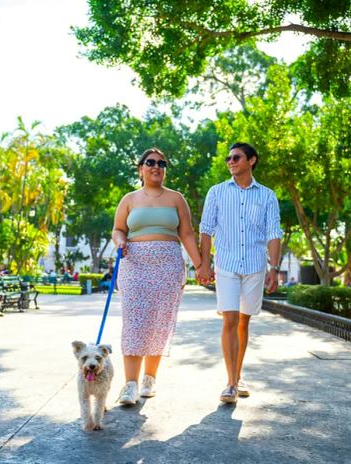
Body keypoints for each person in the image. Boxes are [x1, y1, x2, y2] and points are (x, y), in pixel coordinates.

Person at [112, 147, 202, 405]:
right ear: (140, 169)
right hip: (135, 263)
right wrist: (120, 242)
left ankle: (149, 379)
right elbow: (118, 229)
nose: (156, 167)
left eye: (162, 163)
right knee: (135, 322)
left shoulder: (176, 199)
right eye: (150, 162)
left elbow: (186, 234)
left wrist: (201, 266)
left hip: (168, 265)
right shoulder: (129, 199)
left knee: (159, 322)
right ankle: (129, 385)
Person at [197, 142, 282, 404]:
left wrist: (274, 268)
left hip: (255, 266)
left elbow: (273, 233)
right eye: (228, 159)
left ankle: (238, 374)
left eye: (236, 157)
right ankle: (231, 383)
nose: (231, 162)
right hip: (227, 266)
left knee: (244, 322)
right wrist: (204, 263)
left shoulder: (267, 196)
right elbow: (206, 229)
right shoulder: (217, 192)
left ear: (252, 161)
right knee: (229, 320)